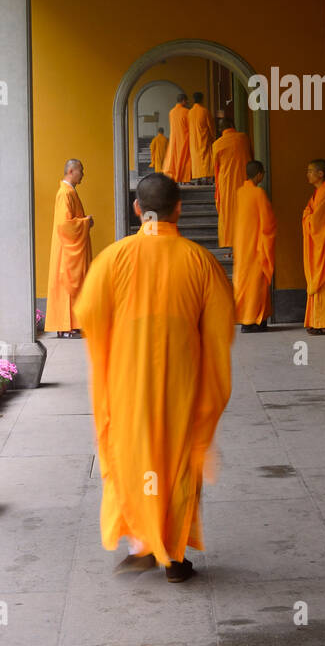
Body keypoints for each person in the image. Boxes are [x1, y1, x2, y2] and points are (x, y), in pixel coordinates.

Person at [75, 172, 235, 581]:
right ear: (179, 208)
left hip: (128, 383)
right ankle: (174, 555)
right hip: (182, 383)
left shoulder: (112, 258)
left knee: (134, 458)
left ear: (136, 209)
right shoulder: (201, 260)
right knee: (178, 461)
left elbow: (88, 316)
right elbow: (220, 329)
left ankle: (144, 542)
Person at [45, 159, 93, 338]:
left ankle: (73, 324)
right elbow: (65, 225)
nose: (83, 174)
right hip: (67, 250)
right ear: (71, 171)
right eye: (81, 170)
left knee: (75, 285)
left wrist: (84, 222)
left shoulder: (69, 192)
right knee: (68, 285)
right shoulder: (64, 193)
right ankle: (66, 326)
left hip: (71, 248)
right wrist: (86, 222)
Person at [233, 160, 276, 332]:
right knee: (256, 285)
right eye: (263, 173)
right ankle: (251, 321)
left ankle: (254, 318)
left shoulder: (240, 192)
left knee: (245, 284)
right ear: (259, 174)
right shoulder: (258, 193)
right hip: (256, 247)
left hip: (242, 246)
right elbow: (268, 223)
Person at [302, 159, 325, 334]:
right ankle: (317, 321)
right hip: (316, 246)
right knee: (317, 282)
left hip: (323, 244)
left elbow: (316, 222)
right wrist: (308, 215)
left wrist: (307, 216)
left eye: (310, 171)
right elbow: (309, 213)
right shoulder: (317, 193)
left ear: (321, 174)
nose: (307, 174)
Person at [212, 112, 253, 248]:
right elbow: (251, 157)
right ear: (233, 125)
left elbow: (215, 167)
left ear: (220, 130)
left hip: (226, 182)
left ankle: (230, 244)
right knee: (244, 210)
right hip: (245, 179)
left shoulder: (217, 144)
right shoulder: (244, 138)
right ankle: (245, 242)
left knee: (228, 213)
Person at [188, 92, 215, 186]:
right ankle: (206, 178)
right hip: (204, 140)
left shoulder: (190, 112)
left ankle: (198, 178)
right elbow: (211, 126)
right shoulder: (204, 111)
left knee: (196, 160)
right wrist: (213, 137)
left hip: (193, 141)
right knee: (206, 159)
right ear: (202, 99)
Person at [164, 94, 192, 183]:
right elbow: (189, 126)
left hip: (174, 138)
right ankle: (183, 177)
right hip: (184, 138)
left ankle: (174, 175)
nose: (187, 102)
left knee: (174, 157)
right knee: (184, 158)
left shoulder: (171, 112)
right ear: (183, 100)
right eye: (186, 101)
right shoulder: (187, 111)